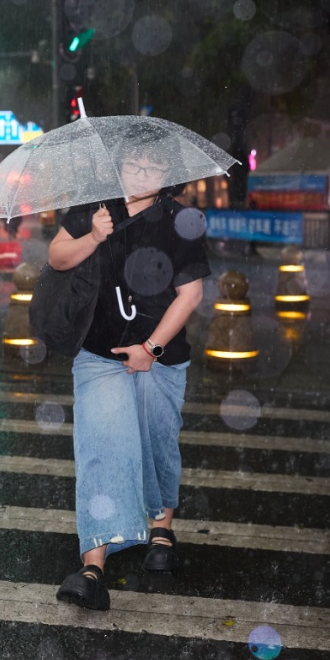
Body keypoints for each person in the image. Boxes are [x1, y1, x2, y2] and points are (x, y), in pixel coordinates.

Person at [49, 142, 211, 611]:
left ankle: (161, 527)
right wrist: (93, 237)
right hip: (98, 353)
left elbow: (191, 293)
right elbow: (58, 258)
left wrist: (150, 349)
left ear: (168, 173)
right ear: (117, 167)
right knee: (102, 447)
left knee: (156, 440)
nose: (141, 173)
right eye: (133, 163)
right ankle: (93, 567)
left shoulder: (181, 221)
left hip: (160, 355)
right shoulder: (93, 208)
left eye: (153, 165)